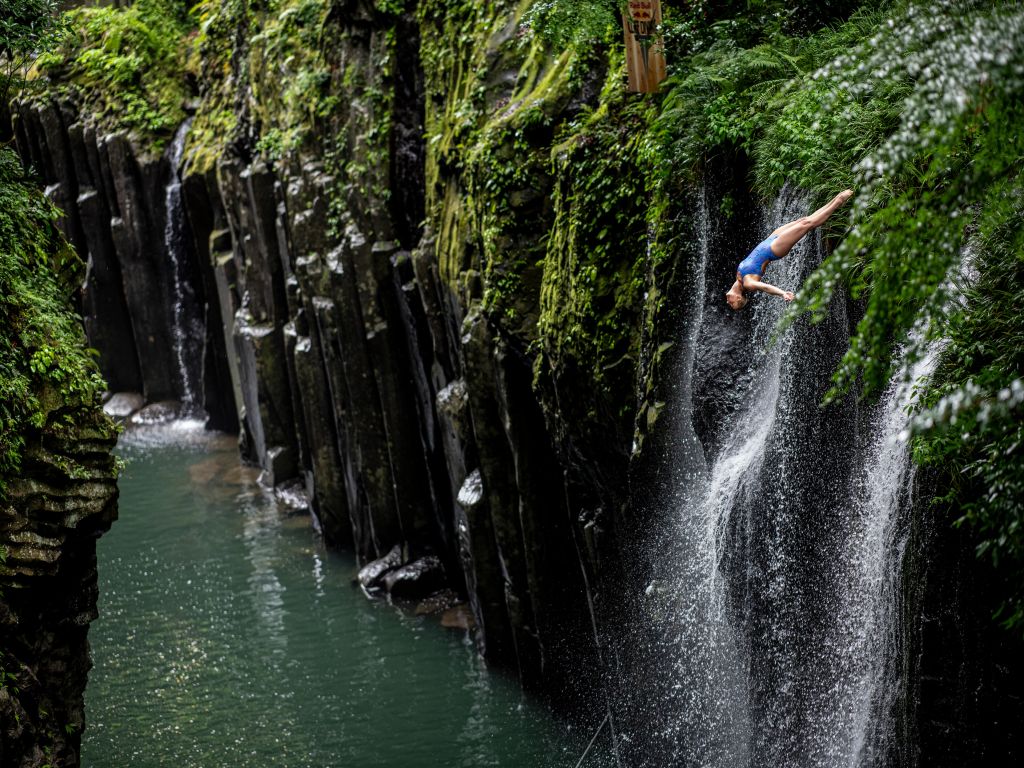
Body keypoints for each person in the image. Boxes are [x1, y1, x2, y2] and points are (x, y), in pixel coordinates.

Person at [725, 190, 853, 310]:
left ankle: (837, 198)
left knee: (803, 220)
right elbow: (765, 287)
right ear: (738, 297)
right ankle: (841, 199)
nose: (728, 302)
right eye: (732, 304)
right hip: (774, 249)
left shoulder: (739, 277)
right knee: (807, 224)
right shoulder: (748, 284)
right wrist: (782, 293)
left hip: (769, 240)